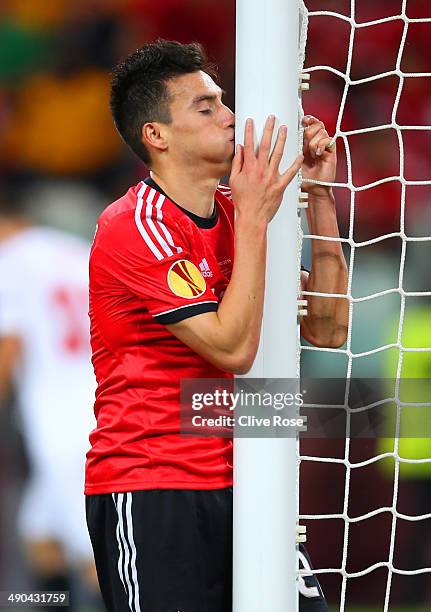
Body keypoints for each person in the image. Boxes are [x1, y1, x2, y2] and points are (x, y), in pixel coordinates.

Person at [85, 40, 349, 612]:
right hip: (155, 485)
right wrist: (256, 219)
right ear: (157, 135)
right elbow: (231, 350)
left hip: (253, 476)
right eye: (206, 108)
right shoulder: (137, 225)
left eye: (224, 101)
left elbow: (328, 330)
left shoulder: (237, 209)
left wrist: (319, 198)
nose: (231, 116)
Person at [0, 190, 102, 609]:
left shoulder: (12, 258)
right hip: (101, 399)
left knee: (97, 559)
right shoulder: (76, 251)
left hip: (61, 421)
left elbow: (9, 345)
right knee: (40, 535)